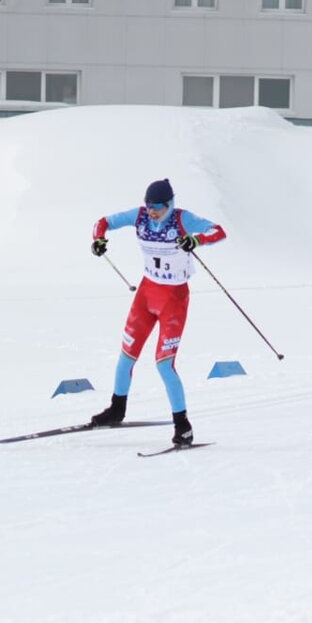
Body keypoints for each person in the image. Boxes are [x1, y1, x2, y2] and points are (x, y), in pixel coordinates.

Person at [88, 178, 227, 446]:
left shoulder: (182, 219)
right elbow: (102, 222)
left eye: (158, 207)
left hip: (173, 299)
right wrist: (99, 240)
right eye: (149, 205)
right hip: (146, 294)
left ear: (170, 204)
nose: (152, 211)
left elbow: (219, 231)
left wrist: (195, 240)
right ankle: (116, 410)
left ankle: (183, 426)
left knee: (164, 364)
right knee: (126, 355)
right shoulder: (139, 216)